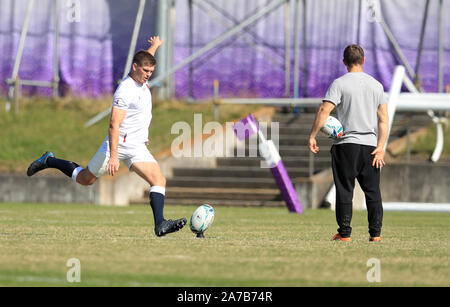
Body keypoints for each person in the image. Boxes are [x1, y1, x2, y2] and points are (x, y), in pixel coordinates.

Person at [27, 36, 187, 237]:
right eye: (146, 71)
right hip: (118, 143)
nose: (148, 75)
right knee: (86, 179)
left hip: (136, 146)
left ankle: (160, 224)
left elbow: (148, 58)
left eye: (151, 72)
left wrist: (154, 46)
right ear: (134, 67)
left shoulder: (141, 76)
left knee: (158, 180)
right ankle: (49, 160)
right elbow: (113, 125)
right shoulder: (125, 90)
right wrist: (113, 156)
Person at [308, 44, 389, 242]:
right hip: (370, 146)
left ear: (344, 62)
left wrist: (312, 135)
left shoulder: (339, 84)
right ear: (363, 60)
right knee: (372, 191)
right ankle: (375, 234)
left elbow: (324, 111)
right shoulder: (376, 85)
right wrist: (380, 147)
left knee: (345, 190)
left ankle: (344, 234)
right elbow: (384, 119)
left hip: (346, 146)